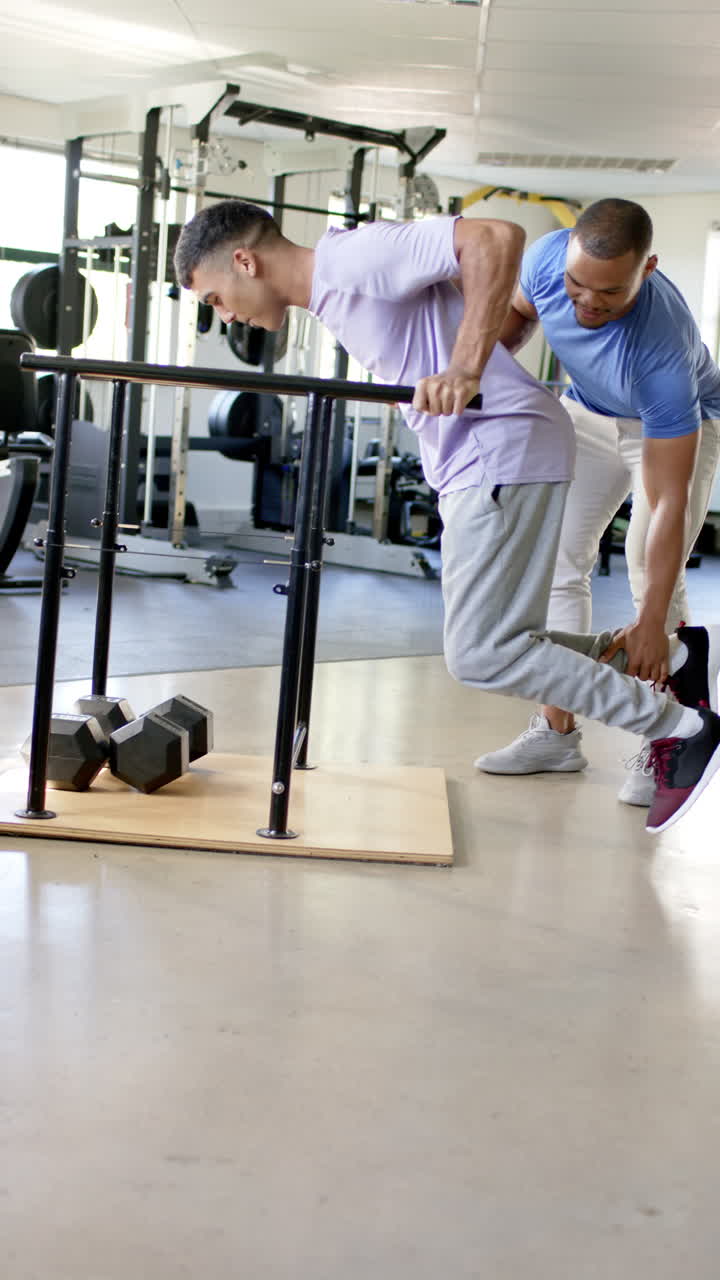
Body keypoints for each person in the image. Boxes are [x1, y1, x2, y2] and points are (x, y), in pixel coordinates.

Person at [174, 200, 720, 835]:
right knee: (507, 639)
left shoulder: (348, 257)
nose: (226, 313)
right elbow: (496, 306)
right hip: (504, 447)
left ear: (245, 261)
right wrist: (482, 360)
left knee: (480, 653)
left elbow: (494, 236)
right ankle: (677, 664)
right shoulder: (337, 285)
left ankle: (679, 728)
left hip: (509, 454)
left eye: (216, 298)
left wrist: (467, 367)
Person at [474, 198, 720, 806]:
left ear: (649, 269)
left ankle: (666, 736)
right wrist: (474, 373)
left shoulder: (663, 350)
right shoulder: (546, 257)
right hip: (587, 413)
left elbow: (666, 502)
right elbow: (518, 317)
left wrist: (649, 622)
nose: (585, 302)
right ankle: (556, 733)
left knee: (649, 573)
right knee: (555, 560)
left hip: (675, 427)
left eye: (607, 294)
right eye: (576, 285)